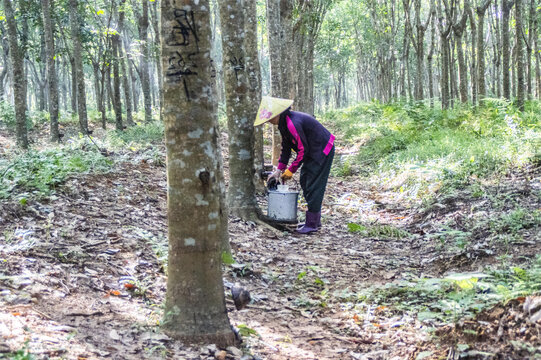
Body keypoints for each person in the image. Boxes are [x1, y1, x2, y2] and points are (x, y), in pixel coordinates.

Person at [254, 96, 335, 234]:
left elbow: (303, 149)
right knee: (305, 181)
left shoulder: (293, 123)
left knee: (313, 185)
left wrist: (291, 170)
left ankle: (312, 224)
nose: (268, 121)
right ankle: (314, 220)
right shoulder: (284, 124)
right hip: (313, 151)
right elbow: (286, 148)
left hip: (322, 149)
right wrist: (279, 170)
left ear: (277, 113)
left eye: (270, 117)